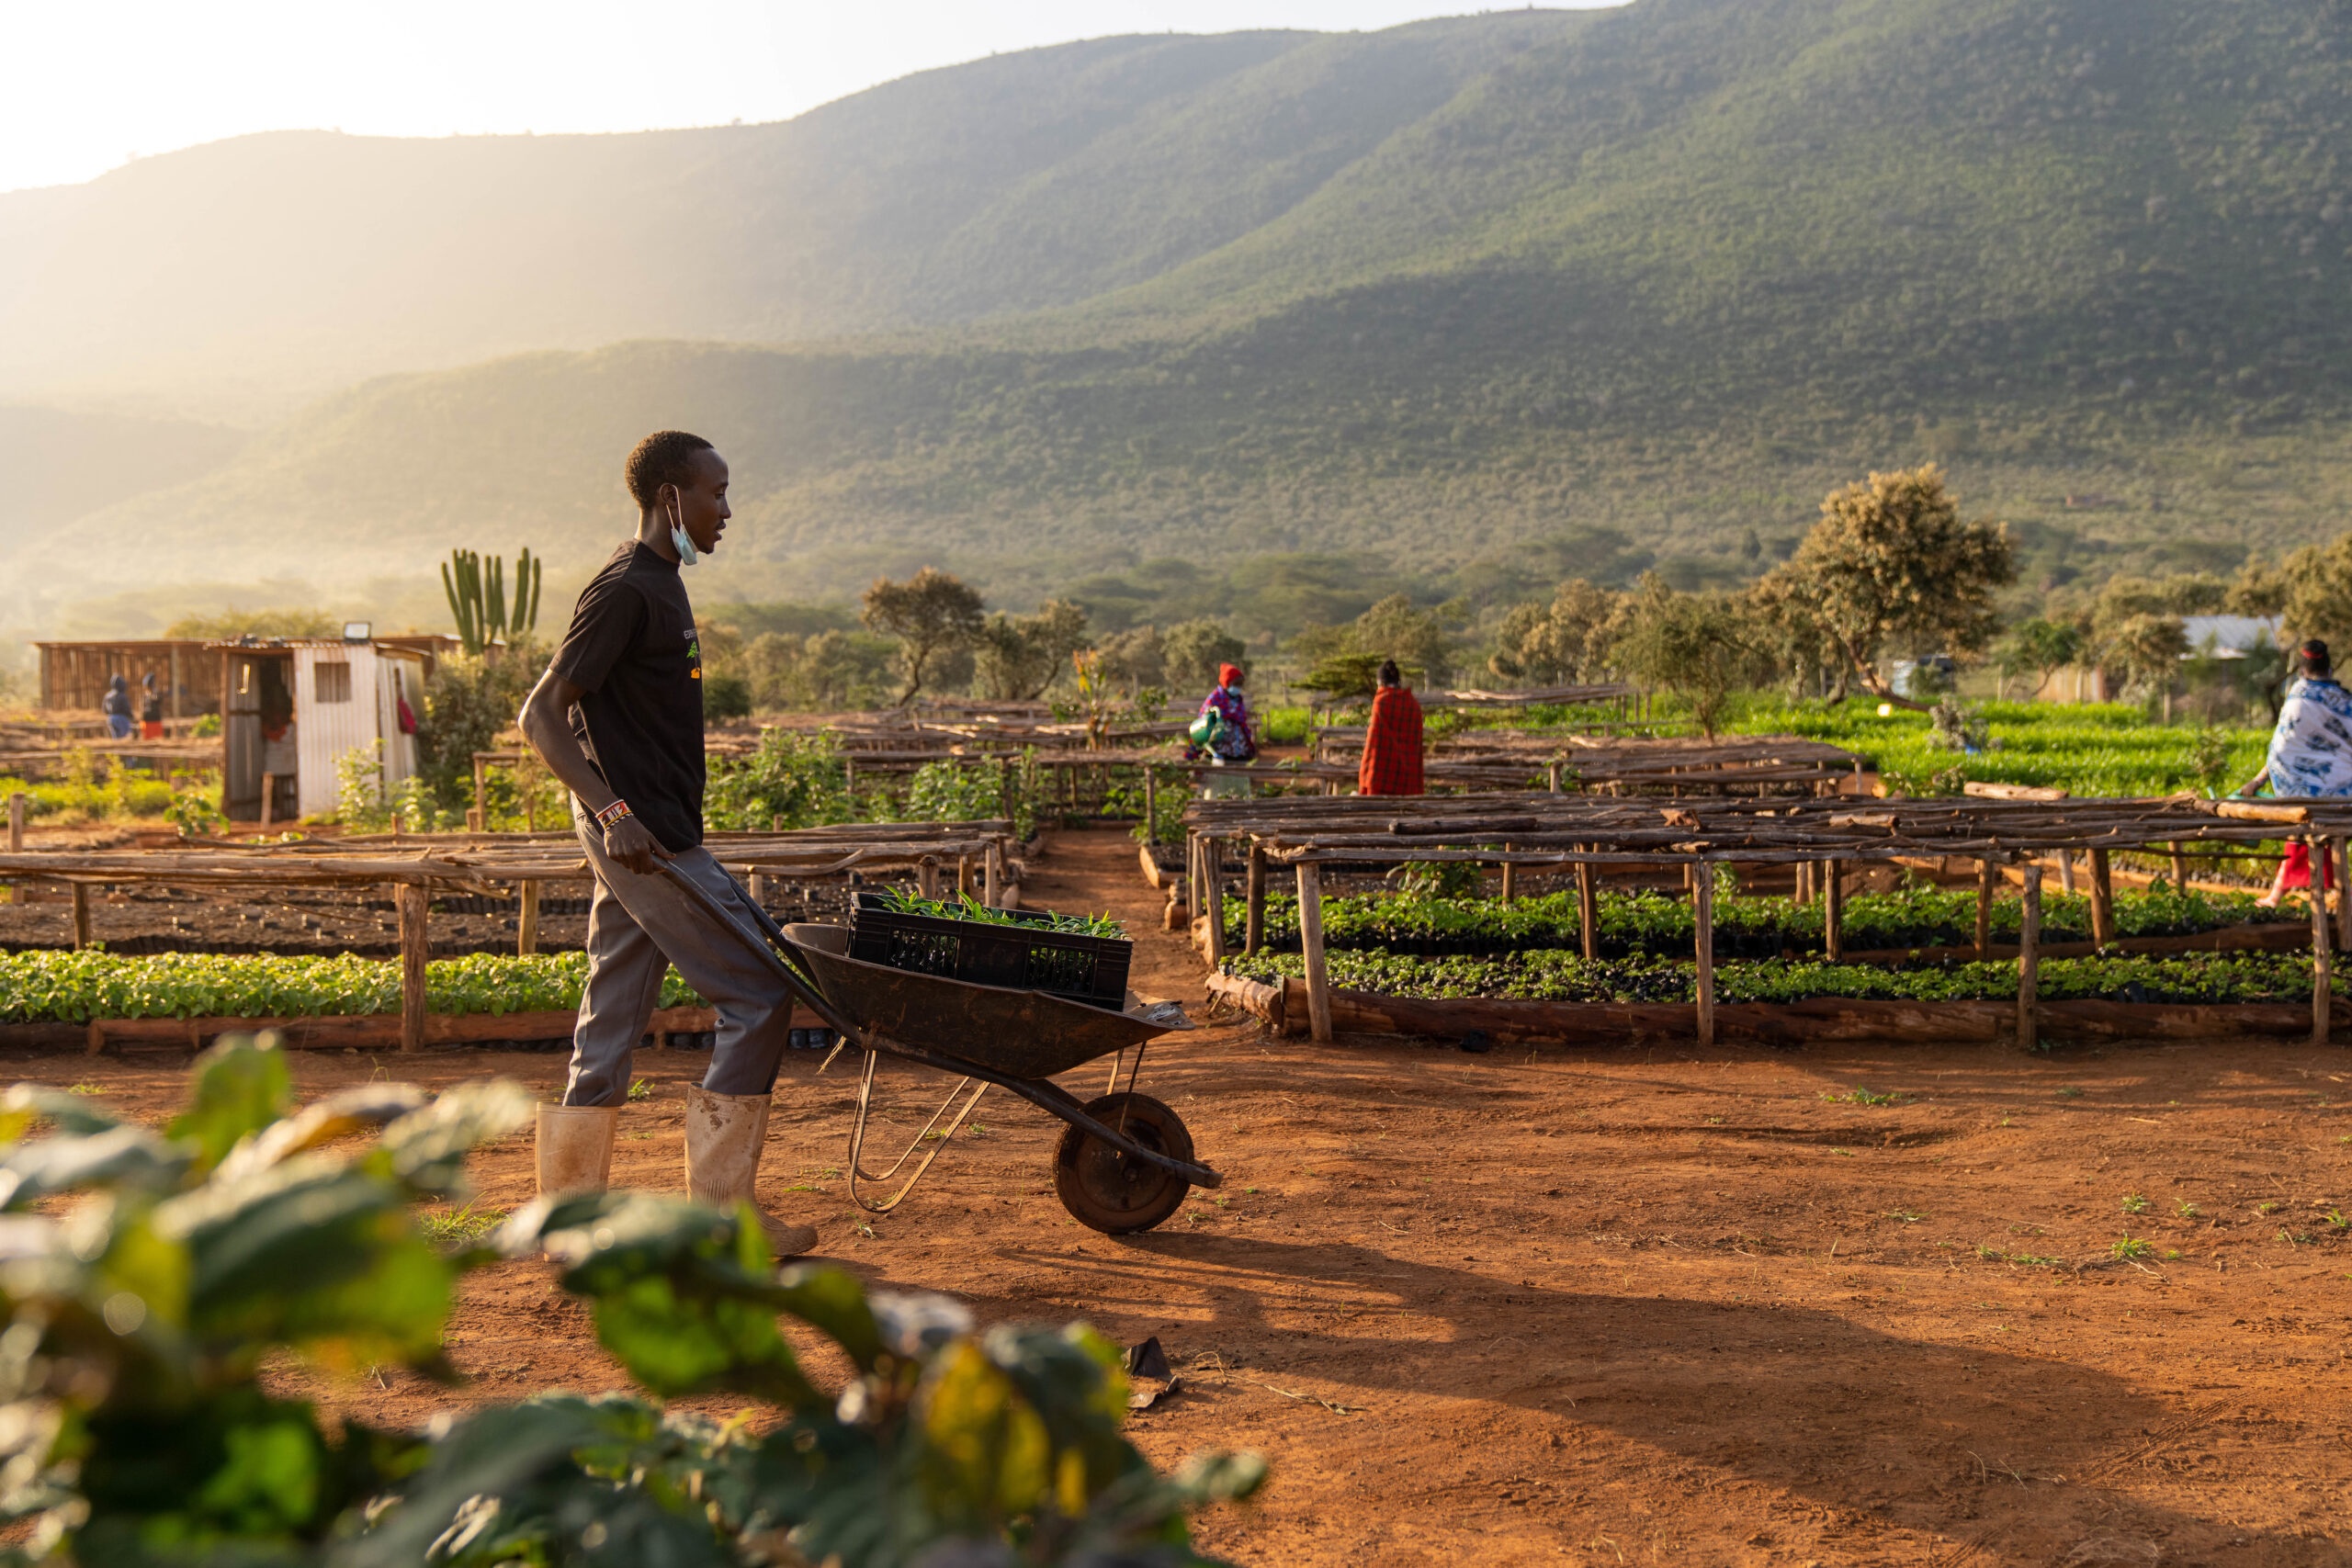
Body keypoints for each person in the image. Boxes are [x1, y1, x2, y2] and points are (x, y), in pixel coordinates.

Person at [517, 429, 817, 1257]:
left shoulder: (663, 583)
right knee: (761, 994)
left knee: (611, 1011)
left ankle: (567, 1216)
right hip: (646, 838)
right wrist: (614, 814)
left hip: (648, 833)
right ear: (670, 497)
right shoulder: (625, 590)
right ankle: (723, 1220)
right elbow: (541, 714)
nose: (728, 509)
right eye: (717, 492)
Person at [2235, 638, 2352, 908]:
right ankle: (2327, 897)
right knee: (2313, 838)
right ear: (2330, 668)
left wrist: (2257, 781)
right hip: (2344, 797)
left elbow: (2283, 751)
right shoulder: (2345, 702)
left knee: (2300, 835)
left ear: (2301, 670)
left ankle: (2279, 897)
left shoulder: (2298, 699)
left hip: (2302, 797)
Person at [1357, 659, 1425, 796]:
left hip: (1381, 777)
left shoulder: (1381, 702)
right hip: (1408, 780)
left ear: (1380, 682)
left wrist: (1366, 772)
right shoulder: (1413, 704)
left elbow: (1373, 742)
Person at [1189, 662, 1256, 798]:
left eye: (1240, 685)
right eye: (1236, 684)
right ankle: (1215, 805)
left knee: (1238, 785)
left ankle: (1239, 803)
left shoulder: (1238, 700)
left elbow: (1242, 721)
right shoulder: (1215, 699)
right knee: (1217, 785)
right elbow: (1204, 723)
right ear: (1227, 683)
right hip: (1220, 751)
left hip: (1238, 751)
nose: (1238, 688)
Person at [100, 674, 133, 739]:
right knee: (124, 738)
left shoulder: (107, 696)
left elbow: (104, 709)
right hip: (122, 719)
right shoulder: (121, 696)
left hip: (111, 719)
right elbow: (127, 709)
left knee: (115, 738)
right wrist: (131, 716)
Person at [139, 673, 166, 740]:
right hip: (146, 721)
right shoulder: (145, 695)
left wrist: (152, 695)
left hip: (155, 720)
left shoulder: (157, 694)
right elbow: (142, 708)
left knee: (156, 739)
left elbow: (158, 700)